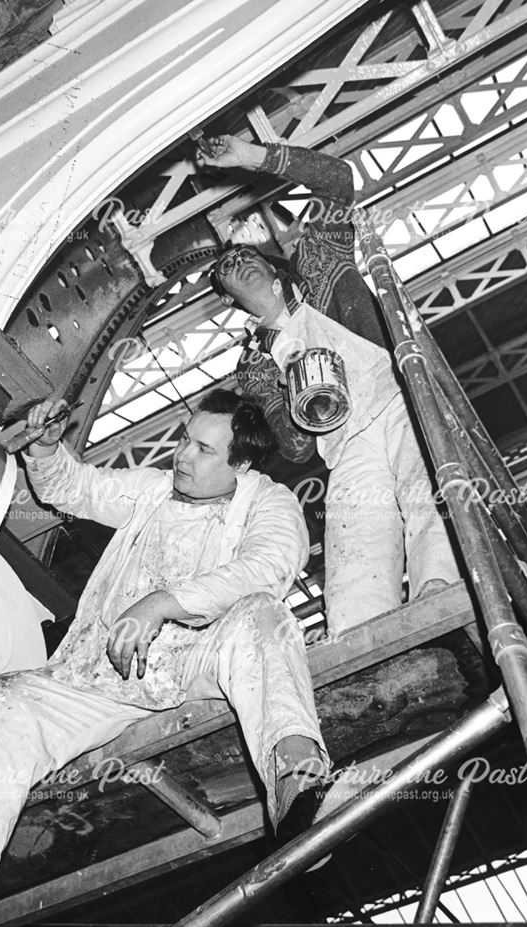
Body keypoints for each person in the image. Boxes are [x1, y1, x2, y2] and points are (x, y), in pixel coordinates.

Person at [0, 388, 329, 927]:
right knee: (4, 699)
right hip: (99, 679)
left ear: (241, 464)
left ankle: (297, 776)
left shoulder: (271, 502)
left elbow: (270, 565)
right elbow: (74, 489)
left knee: (264, 616)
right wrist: (48, 450)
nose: (182, 455)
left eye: (203, 450)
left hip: (195, 665)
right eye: (184, 437)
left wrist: (165, 601)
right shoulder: (155, 489)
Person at [197, 135, 460, 633]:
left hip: (398, 394)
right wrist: (293, 399)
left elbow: (340, 181)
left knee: (427, 493)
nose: (235, 259)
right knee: (355, 537)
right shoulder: (252, 367)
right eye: (224, 267)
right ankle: (362, 637)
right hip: (344, 440)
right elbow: (296, 450)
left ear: (273, 269)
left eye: (243, 253)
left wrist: (255, 157)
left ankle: (442, 591)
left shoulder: (319, 264)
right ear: (230, 301)